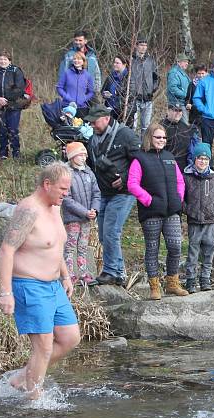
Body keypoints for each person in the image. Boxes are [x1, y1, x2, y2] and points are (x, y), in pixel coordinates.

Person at [0, 162, 81, 400]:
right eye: (63, 189)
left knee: (69, 338)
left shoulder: (55, 207)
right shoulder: (29, 210)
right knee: (43, 347)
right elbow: (6, 251)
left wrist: (65, 275)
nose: (67, 194)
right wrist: (5, 293)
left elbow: (55, 245)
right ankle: (34, 402)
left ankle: (23, 377)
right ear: (47, 184)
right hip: (29, 285)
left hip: (54, 286)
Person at [126, 124, 188, 300]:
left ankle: (172, 284)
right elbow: (132, 184)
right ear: (149, 138)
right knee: (152, 249)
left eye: (164, 138)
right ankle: (154, 287)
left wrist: (179, 198)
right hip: (151, 212)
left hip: (172, 212)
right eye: (158, 137)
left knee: (175, 246)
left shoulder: (170, 157)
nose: (162, 140)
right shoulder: (139, 159)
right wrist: (149, 200)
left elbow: (180, 181)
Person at [84, 104, 142, 285]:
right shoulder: (93, 138)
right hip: (103, 192)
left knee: (111, 231)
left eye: (94, 121)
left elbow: (141, 161)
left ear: (106, 118)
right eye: (90, 122)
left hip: (123, 192)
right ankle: (118, 272)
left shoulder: (126, 135)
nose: (92, 125)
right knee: (103, 234)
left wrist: (125, 178)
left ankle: (111, 272)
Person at [182, 142, 214, 292]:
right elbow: (180, 197)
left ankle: (205, 278)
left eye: (206, 159)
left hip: (210, 221)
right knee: (193, 251)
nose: (203, 161)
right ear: (194, 159)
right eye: (200, 158)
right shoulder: (186, 176)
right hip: (194, 221)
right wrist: (188, 210)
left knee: (209, 250)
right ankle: (190, 280)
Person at [61, 142, 100, 286]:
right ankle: (69, 274)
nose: (84, 157)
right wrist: (84, 212)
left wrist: (94, 210)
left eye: (85, 154)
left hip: (87, 218)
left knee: (83, 246)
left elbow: (96, 193)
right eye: (81, 154)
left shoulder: (88, 172)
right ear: (72, 156)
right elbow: (66, 198)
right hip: (72, 218)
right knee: (70, 246)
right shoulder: (66, 173)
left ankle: (83, 273)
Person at [0, 52, 27, 160]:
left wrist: (7, 99)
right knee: (2, 130)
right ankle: (3, 153)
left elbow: (20, 88)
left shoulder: (16, 71)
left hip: (14, 106)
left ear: (10, 61)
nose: (2, 61)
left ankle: (16, 153)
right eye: (1, 59)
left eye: (5, 59)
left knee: (13, 129)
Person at [128, 38, 159, 137]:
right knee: (133, 125)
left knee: (146, 127)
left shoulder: (150, 60)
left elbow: (156, 77)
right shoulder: (131, 60)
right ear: (136, 46)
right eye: (141, 45)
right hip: (134, 98)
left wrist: (153, 88)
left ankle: (144, 148)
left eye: (145, 45)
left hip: (148, 98)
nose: (143, 47)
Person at [161, 102, 201, 172]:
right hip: (167, 165)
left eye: (180, 111)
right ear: (168, 111)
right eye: (175, 110)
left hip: (185, 167)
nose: (178, 113)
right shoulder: (161, 127)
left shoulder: (185, 127)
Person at [101, 55, 131, 124]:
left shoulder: (129, 78)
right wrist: (104, 94)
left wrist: (113, 96)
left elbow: (129, 97)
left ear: (124, 64)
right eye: (114, 62)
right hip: (109, 109)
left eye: (117, 63)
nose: (115, 64)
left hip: (122, 111)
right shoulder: (111, 76)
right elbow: (103, 90)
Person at [166, 53, 191, 122]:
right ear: (178, 62)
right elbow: (173, 88)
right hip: (177, 104)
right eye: (185, 61)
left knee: (183, 126)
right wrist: (185, 95)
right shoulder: (174, 73)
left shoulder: (182, 73)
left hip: (182, 103)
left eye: (187, 62)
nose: (187, 63)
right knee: (183, 125)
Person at [186, 64, 208, 128]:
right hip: (194, 116)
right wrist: (187, 104)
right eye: (199, 73)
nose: (201, 75)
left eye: (202, 73)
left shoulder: (210, 84)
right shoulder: (192, 84)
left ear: (206, 73)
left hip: (206, 116)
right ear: (196, 74)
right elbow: (187, 98)